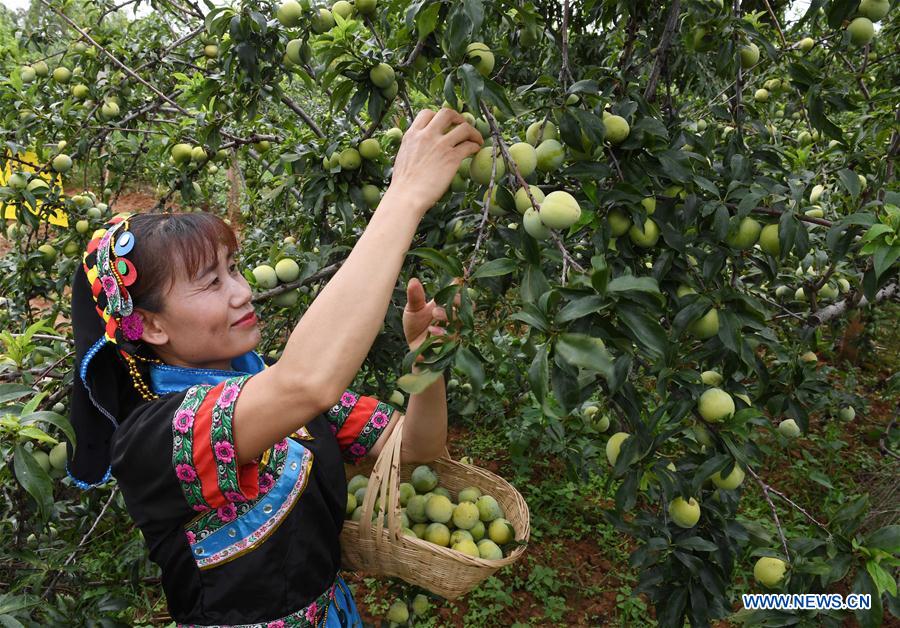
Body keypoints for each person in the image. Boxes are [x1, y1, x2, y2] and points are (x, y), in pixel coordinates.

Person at [65, 108, 484, 627]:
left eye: (234, 269)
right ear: (151, 326)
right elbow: (307, 380)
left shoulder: (268, 392)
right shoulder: (154, 435)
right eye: (211, 282)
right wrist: (405, 196)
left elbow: (417, 452)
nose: (243, 292)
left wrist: (427, 362)